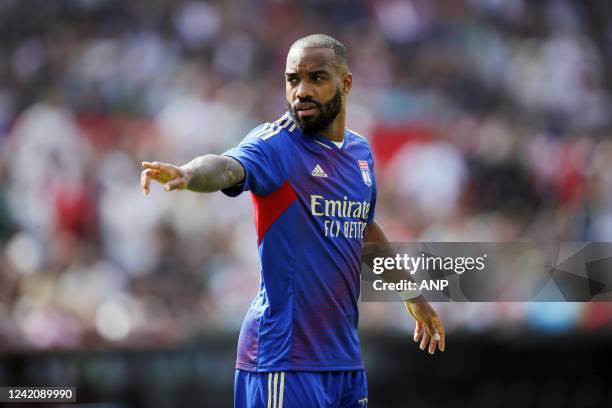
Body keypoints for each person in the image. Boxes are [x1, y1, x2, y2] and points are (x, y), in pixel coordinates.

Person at [141, 34, 445, 408]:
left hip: (344, 362)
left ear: (345, 84)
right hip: (284, 360)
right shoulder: (275, 146)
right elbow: (227, 166)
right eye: (292, 79)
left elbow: (363, 228)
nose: (301, 91)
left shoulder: (360, 153)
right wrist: (189, 173)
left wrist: (411, 294)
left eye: (316, 78)